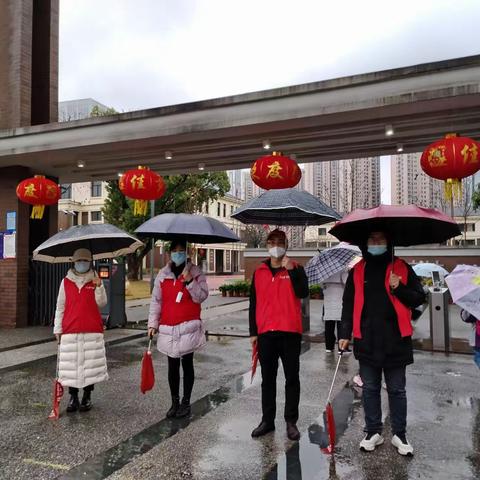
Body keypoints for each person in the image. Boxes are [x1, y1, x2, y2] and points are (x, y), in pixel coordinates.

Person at [339, 231, 425, 456]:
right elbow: (348, 303)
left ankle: (400, 434)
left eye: (381, 239)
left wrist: (399, 287)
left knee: (397, 389)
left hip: (396, 339)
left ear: (389, 242)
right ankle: (373, 431)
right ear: (366, 243)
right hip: (367, 338)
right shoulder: (358, 270)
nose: (376, 243)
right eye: (371, 239)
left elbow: (419, 298)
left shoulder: (402, 267)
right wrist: (344, 332)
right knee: (370, 388)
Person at [249, 229, 309, 441]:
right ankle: (267, 420)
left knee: (292, 378)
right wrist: (253, 332)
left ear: (286, 244)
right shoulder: (259, 272)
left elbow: (303, 292)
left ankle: (291, 421)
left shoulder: (297, 268)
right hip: (266, 334)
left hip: (290, 332)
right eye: (272, 241)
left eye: (280, 241)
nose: (276, 245)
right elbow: (253, 303)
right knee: (268, 379)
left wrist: (291, 270)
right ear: (267, 244)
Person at [148, 240, 208, 418]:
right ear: (169, 253)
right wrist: (153, 324)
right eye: (174, 250)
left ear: (187, 251)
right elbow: (156, 301)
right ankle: (174, 402)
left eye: (181, 250)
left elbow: (201, 296)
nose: (178, 253)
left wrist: (190, 282)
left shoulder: (195, 272)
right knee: (172, 366)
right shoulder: (163, 275)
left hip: (187, 326)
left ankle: (186, 402)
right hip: (168, 326)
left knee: (187, 364)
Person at [53, 248, 108, 413]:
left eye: (85, 260)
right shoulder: (66, 282)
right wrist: (58, 328)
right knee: (72, 366)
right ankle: (73, 397)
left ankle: (87, 396)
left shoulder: (96, 280)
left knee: (89, 365)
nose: (82, 263)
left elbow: (102, 303)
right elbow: (60, 306)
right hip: (70, 329)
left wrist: (99, 287)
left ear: (90, 262)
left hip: (92, 329)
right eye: (79, 260)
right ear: (74, 262)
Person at [322, 271, 350, 354]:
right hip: (339, 301)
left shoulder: (324, 271)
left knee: (329, 325)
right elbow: (348, 283)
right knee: (341, 326)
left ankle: (329, 347)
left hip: (328, 302)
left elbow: (322, 286)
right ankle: (342, 348)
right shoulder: (342, 270)